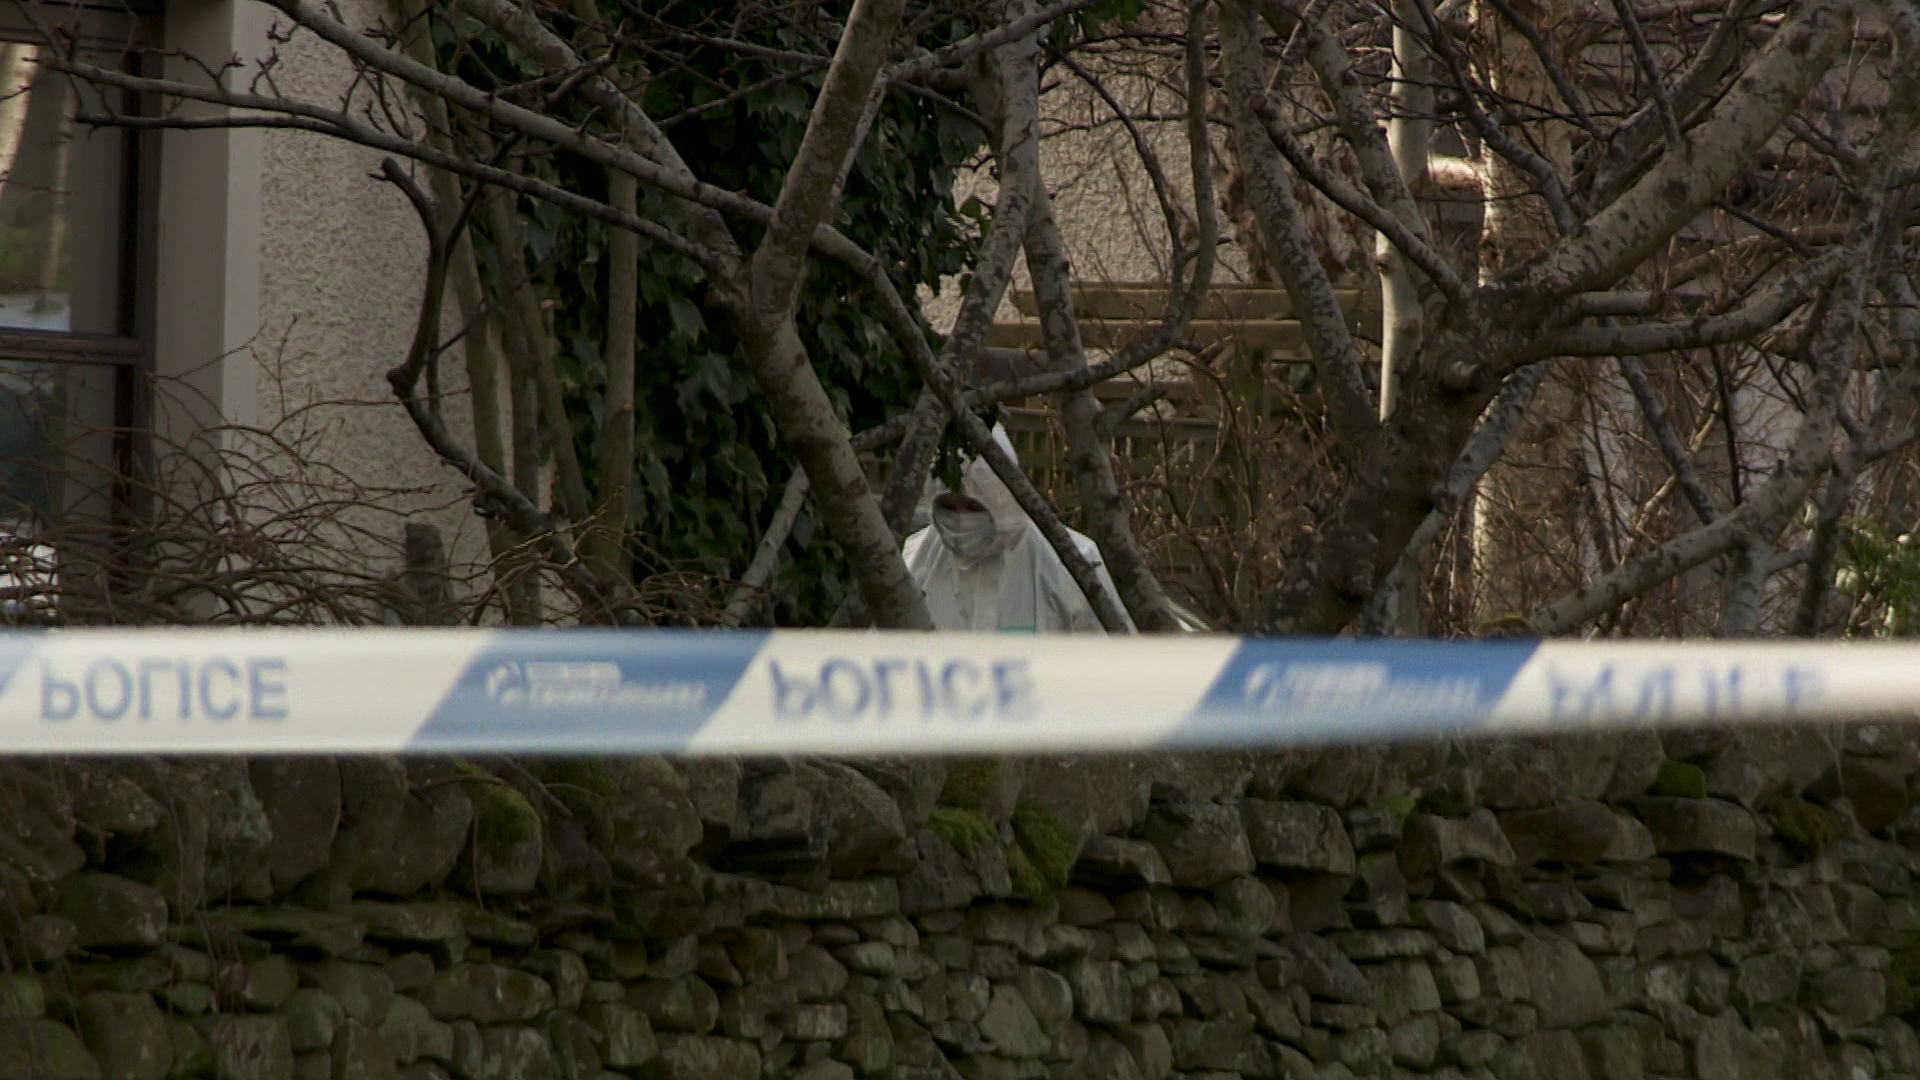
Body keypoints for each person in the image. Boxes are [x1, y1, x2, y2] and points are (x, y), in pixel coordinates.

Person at [902, 427, 1133, 634]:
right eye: (949, 507)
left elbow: (1111, 664)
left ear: (1001, 500)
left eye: (973, 507)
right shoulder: (912, 562)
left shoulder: (1073, 563)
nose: (962, 520)